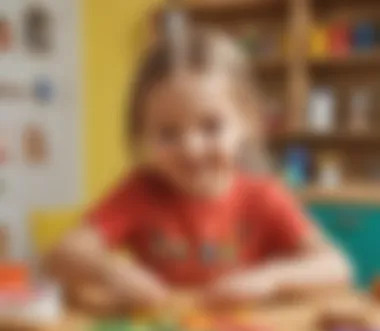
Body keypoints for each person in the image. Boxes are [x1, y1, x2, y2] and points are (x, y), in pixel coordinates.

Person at [46, 28, 351, 314]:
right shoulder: (140, 191)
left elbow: (336, 267)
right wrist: (111, 271)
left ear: (247, 121)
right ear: (142, 136)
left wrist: (270, 279)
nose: (191, 148)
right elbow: (60, 256)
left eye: (211, 126)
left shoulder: (264, 196)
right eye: (168, 133)